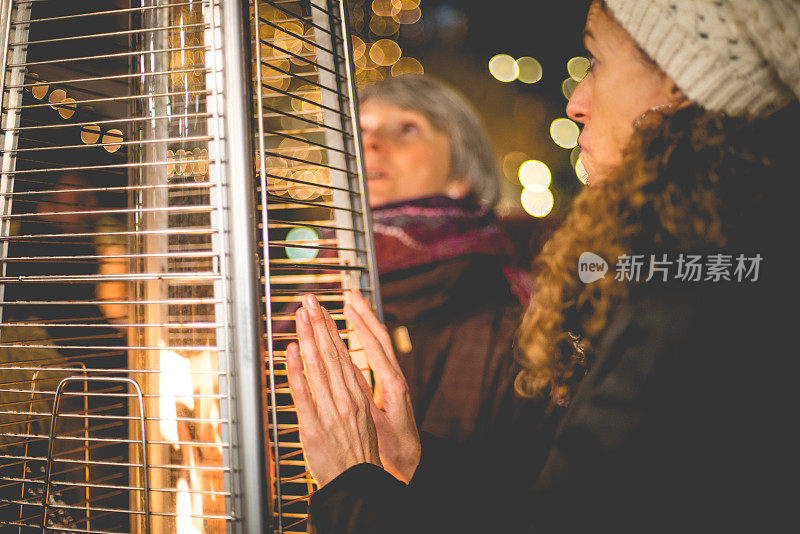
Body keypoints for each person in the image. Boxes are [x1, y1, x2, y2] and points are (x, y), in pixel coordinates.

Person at [286, 0, 797, 532]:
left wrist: (351, 486)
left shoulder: (671, 291)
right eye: (357, 131)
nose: (575, 101)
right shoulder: (680, 263)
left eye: (595, 61)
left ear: (678, 81)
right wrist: (418, 462)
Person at [357, 74, 559, 472]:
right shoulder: (310, 290)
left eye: (407, 128)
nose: (371, 142)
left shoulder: (517, 322)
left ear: (461, 174)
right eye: (360, 129)